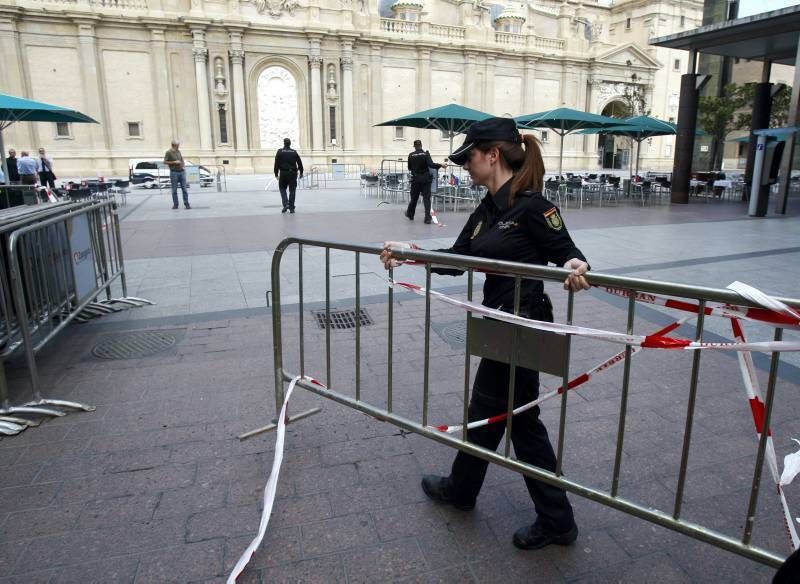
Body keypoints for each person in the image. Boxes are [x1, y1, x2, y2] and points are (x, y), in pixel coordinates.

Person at [379, 117, 590, 551]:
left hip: (523, 324)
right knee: (498, 412)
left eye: (469, 156)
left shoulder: (534, 207)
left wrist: (575, 266)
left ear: (492, 155)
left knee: (518, 420)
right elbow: (460, 258)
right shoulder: (487, 209)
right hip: (498, 323)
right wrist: (410, 255)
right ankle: (469, 491)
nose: (465, 165)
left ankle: (552, 519)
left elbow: (566, 251)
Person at [405, 139, 443, 224]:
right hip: (425, 179)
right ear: (421, 146)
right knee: (426, 199)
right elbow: (431, 165)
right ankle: (427, 218)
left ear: (414, 146)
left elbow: (409, 168)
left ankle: (410, 214)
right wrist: (441, 165)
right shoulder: (426, 154)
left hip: (415, 179)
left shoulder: (411, 155)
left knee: (414, 198)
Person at [273, 138, 304, 213]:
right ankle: (292, 207)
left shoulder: (280, 151)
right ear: (290, 144)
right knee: (292, 190)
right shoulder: (294, 152)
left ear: (284, 143)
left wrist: (276, 173)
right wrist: (301, 172)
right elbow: (299, 162)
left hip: (283, 173)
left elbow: (276, 163)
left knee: (282, 188)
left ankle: (286, 204)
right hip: (293, 173)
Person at [163, 140, 190, 209]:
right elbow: (165, 162)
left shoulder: (179, 151)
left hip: (181, 172)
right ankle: (176, 204)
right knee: (174, 190)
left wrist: (183, 165)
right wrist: (174, 162)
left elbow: (181, 159)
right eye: (178, 145)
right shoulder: (168, 152)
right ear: (173, 145)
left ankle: (186, 203)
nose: (179, 146)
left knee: (184, 189)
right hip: (174, 172)